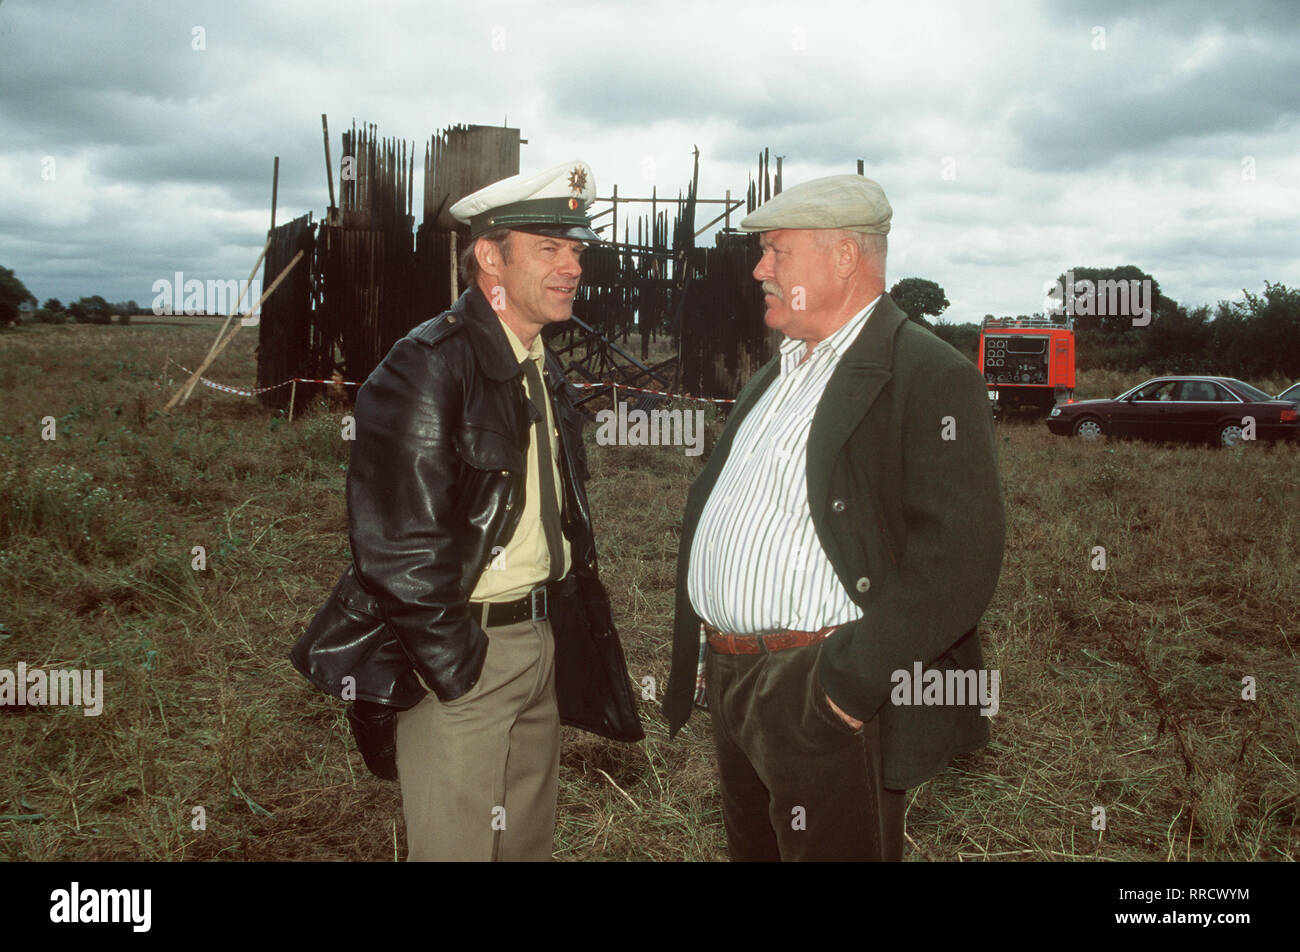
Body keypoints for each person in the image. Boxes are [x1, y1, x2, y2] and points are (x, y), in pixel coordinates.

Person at [291, 160, 642, 862]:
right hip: (465, 656)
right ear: (489, 256)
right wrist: (457, 666)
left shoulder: (538, 359)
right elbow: (396, 549)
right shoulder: (427, 364)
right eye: (549, 248)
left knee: (524, 850)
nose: (572, 265)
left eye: (577, 248)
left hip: (539, 641)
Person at [662, 173, 1005, 861]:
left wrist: (846, 686)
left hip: (820, 687)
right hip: (734, 682)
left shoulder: (925, 373)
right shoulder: (777, 373)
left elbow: (961, 557)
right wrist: (711, 646)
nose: (759, 269)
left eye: (776, 252)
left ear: (844, 257)